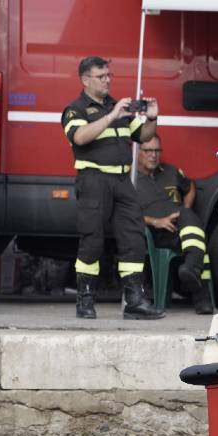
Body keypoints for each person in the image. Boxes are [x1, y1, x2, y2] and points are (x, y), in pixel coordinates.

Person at [61, 56, 163, 320]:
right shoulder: (75, 109)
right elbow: (80, 137)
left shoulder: (114, 106)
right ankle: (85, 301)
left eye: (109, 75)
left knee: (133, 239)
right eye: (101, 76)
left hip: (122, 182)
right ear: (85, 80)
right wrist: (112, 115)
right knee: (91, 241)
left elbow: (144, 136)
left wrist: (152, 118)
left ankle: (134, 301)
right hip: (94, 181)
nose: (107, 80)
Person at [135, 134, 214, 314]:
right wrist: (155, 221)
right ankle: (201, 296)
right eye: (148, 151)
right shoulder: (131, 179)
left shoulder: (170, 171)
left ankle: (192, 270)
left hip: (182, 227)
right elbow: (127, 214)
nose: (153, 155)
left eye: (157, 150)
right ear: (138, 152)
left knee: (193, 234)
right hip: (158, 233)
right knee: (198, 242)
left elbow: (190, 187)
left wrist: (184, 209)